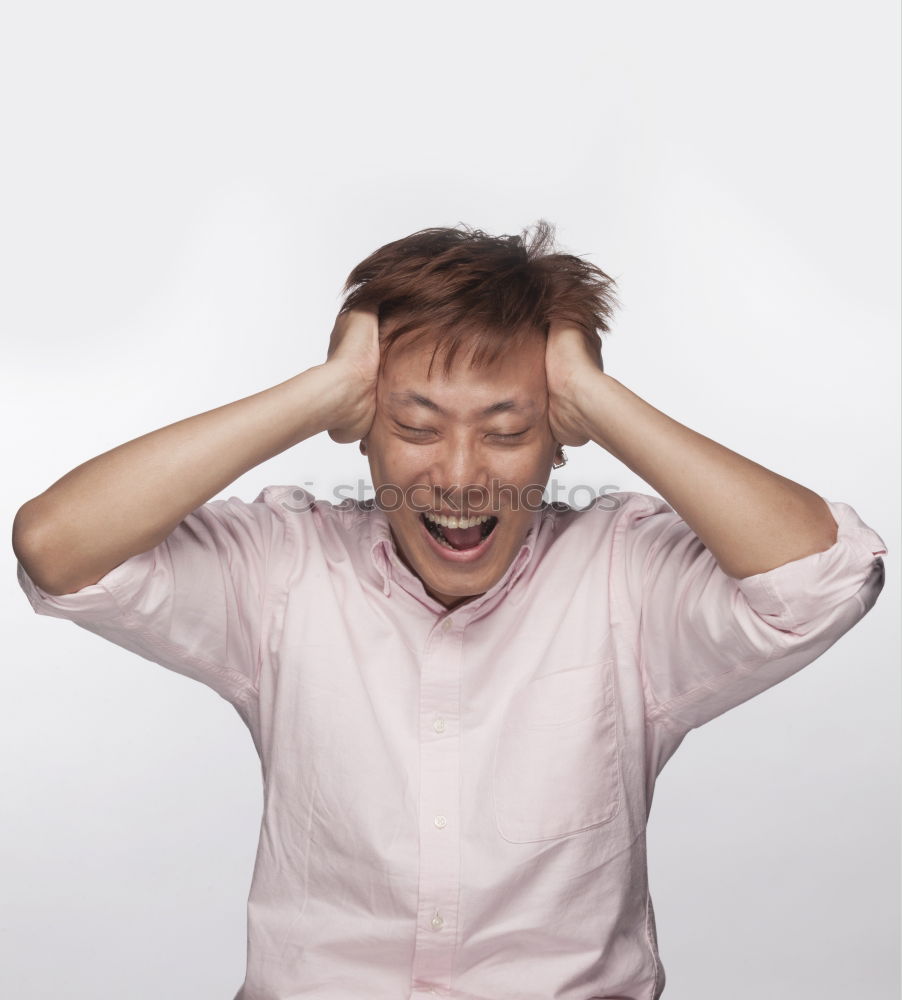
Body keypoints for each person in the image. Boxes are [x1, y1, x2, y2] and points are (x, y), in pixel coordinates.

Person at [12, 220, 887, 1000]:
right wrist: (322, 390)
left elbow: (825, 580)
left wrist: (596, 398)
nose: (462, 476)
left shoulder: (627, 574)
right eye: (418, 426)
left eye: (507, 431)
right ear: (362, 424)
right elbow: (58, 546)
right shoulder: (283, 567)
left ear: (558, 434)